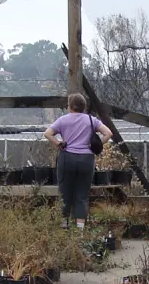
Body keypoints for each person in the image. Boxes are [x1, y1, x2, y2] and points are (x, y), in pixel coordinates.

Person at [45, 93, 112, 230]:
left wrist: (58, 143)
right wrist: (94, 146)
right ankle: (80, 230)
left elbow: (47, 133)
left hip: (67, 157)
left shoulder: (63, 120)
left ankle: (64, 225)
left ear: (69, 106)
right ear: (83, 107)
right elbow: (108, 133)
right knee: (82, 194)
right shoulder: (91, 120)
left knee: (64, 192)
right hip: (86, 159)